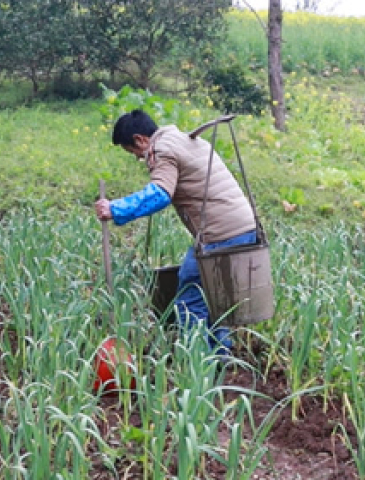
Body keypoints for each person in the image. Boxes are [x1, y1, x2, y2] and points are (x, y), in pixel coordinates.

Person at [95, 109, 257, 356]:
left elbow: (160, 194)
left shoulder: (162, 149)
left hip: (219, 233)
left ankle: (198, 364)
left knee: (190, 298)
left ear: (140, 139)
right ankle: (221, 355)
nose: (140, 159)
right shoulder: (188, 139)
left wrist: (115, 209)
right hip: (243, 226)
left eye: (136, 153)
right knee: (214, 297)